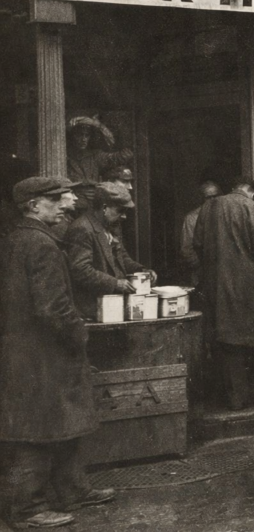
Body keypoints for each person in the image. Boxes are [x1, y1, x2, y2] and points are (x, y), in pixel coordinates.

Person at [0, 177, 114, 529]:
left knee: (59, 421)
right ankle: (27, 510)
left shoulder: (18, 239)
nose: (67, 202)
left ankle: (72, 489)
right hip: (43, 353)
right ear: (33, 206)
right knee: (39, 428)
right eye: (56, 198)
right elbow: (52, 308)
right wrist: (77, 334)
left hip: (25, 351)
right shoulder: (41, 245)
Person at [193, 176, 254, 410]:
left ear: (233, 189)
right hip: (252, 285)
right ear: (252, 192)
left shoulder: (209, 207)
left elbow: (197, 244)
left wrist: (214, 268)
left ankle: (236, 399)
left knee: (228, 343)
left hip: (217, 285)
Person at [65, 182, 155, 319]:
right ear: (104, 208)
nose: (124, 216)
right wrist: (115, 283)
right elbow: (80, 270)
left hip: (112, 307)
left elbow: (122, 259)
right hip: (92, 310)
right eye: (120, 211)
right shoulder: (82, 228)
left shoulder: (110, 227)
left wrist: (141, 271)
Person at [65, 116, 133, 186]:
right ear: (72, 136)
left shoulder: (96, 156)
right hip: (72, 196)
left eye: (87, 135)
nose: (84, 139)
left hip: (93, 195)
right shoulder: (65, 156)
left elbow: (125, 155)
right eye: (80, 135)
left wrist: (99, 126)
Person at [180, 180, 221, 287]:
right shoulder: (191, 218)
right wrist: (202, 268)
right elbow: (187, 249)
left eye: (215, 196)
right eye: (209, 197)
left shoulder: (224, 215)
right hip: (201, 273)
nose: (213, 200)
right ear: (202, 198)